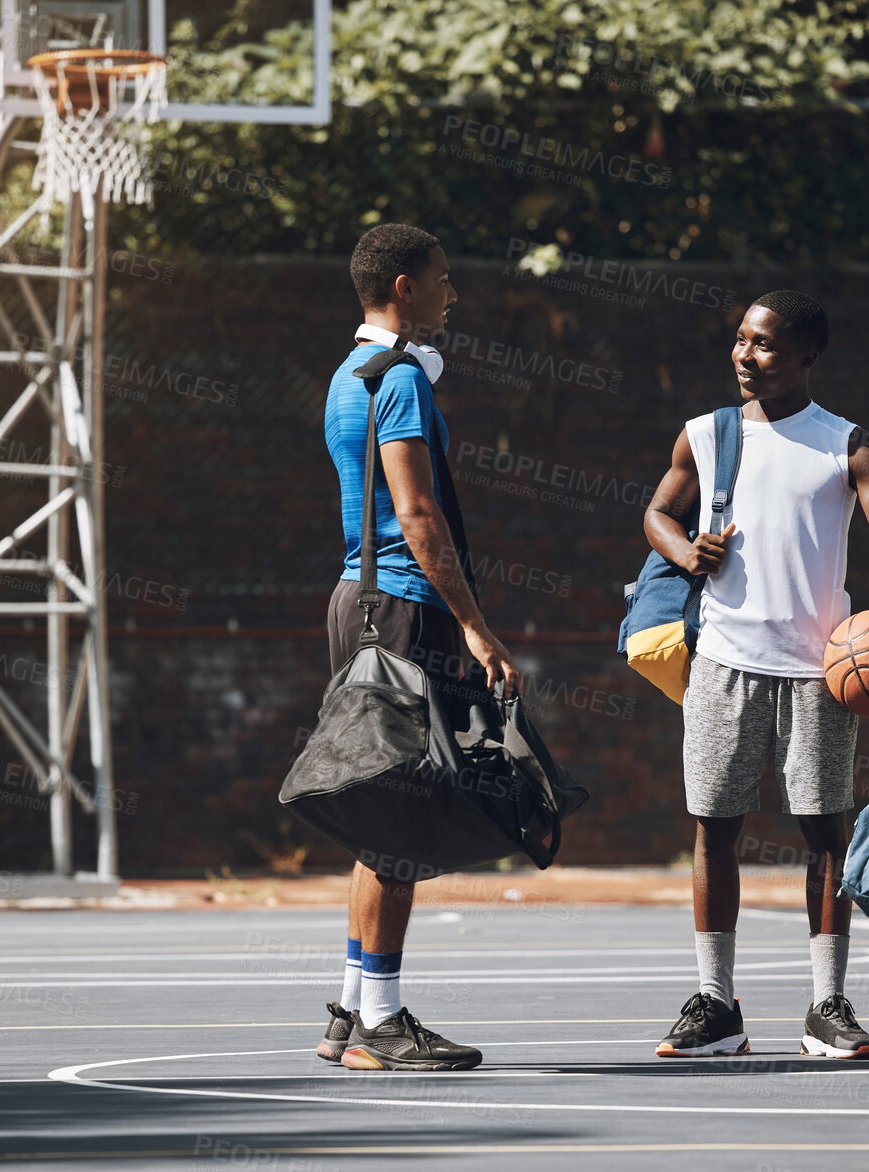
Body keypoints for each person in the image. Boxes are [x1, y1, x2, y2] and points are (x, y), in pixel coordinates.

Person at [644, 290, 869, 1061]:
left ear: (807, 357)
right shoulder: (706, 435)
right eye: (742, 340)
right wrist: (685, 553)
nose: (747, 354)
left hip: (822, 671)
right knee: (715, 831)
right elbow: (657, 514)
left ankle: (827, 1006)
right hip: (723, 663)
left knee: (826, 836)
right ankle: (716, 1004)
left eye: (767, 345)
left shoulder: (846, 446)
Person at [315, 224, 522, 1072]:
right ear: (404, 286)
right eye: (441, 279)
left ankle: (354, 1010)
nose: (451, 294)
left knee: (378, 811)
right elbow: (418, 515)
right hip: (401, 608)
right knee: (397, 817)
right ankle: (383, 1025)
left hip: (358, 602)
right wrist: (475, 624)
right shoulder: (396, 378)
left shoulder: (347, 374)